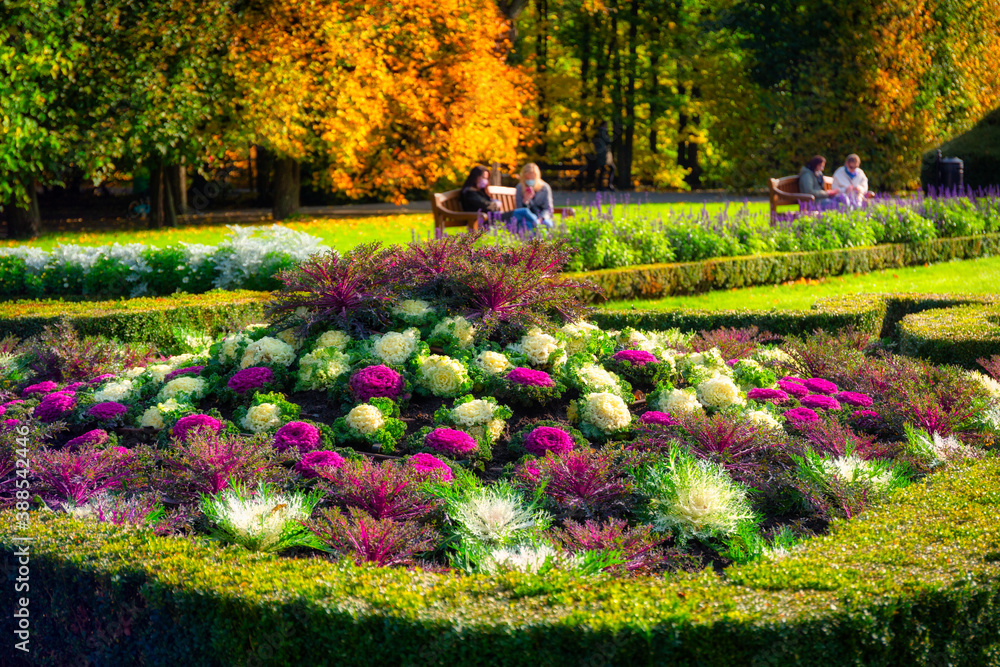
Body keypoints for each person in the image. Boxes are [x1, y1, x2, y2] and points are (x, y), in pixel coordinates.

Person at [459, 165, 538, 231]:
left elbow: (487, 203)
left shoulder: (480, 191)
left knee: (526, 224)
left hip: (493, 218)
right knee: (524, 212)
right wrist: (495, 204)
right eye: (483, 178)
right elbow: (485, 205)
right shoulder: (469, 193)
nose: (485, 181)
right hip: (486, 220)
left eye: (487, 178)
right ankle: (540, 226)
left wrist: (494, 203)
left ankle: (535, 245)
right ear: (475, 177)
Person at [515, 163, 555, 229]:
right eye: (527, 178)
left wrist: (541, 218)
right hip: (527, 218)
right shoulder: (520, 188)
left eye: (532, 178)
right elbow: (519, 210)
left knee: (547, 224)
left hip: (542, 218)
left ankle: (542, 239)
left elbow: (548, 208)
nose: (530, 181)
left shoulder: (544, 188)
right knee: (526, 225)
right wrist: (525, 202)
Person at [592, 121, 616, 190]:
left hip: (604, 154)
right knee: (606, 168)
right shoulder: (602, 132)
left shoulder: (600, 132)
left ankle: (603, 185)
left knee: (604, 169)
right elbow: (607, 141)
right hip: (603, 154)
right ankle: (605, 185)